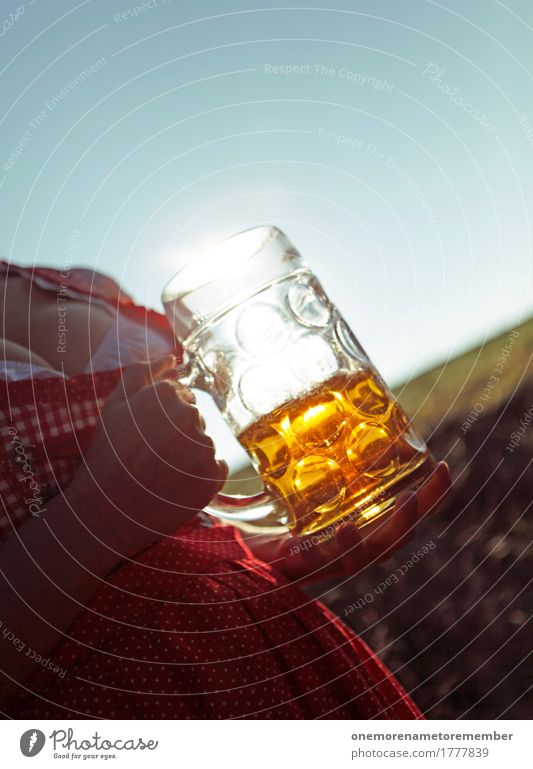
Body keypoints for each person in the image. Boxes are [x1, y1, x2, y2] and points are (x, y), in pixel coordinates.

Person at [0, 260, 451, 719]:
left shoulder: (75, 284)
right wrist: (96, 515)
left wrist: (253, 548)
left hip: (272, 635)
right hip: (127, 699)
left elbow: (165, 526)